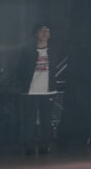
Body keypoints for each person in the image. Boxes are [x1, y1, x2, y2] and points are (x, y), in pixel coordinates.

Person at [12, 24, 63, 153]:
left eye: (47, 30)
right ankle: (28, 147)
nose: (44, 33)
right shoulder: (27, 50)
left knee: (46, 120)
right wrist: (22, 84)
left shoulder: (53, 50)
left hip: (48, 91)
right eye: (41, 31)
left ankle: (44, 146)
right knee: (29, 121)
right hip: (30, 91)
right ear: (35, 34)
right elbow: (20, 69)